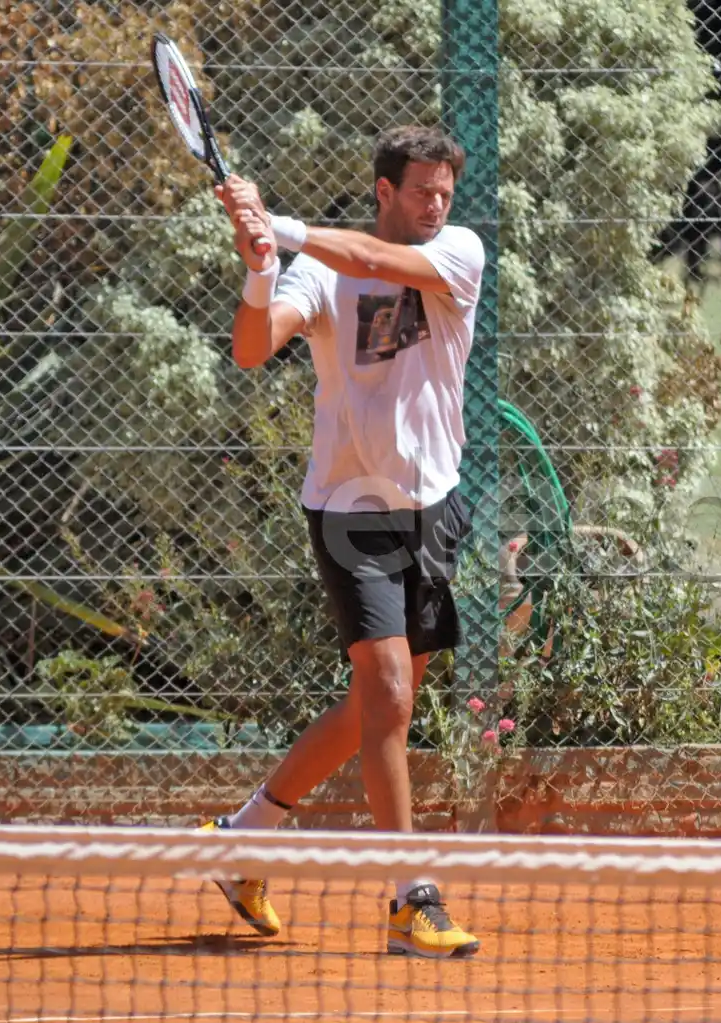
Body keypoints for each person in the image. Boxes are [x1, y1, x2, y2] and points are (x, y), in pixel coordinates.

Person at [200, 125, 485, 959]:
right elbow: (252, 348)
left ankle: (244, 836)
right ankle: (410, 897)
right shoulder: (321, 270)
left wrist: (279, 228)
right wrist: (261, 271)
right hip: (349, 509)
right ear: (382, 190)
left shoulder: (457, 253)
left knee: (377, 708)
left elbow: (380, 263)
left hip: (435, 505)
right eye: (421, 191)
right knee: (389, 690)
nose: (436, 205)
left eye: (445, 190)